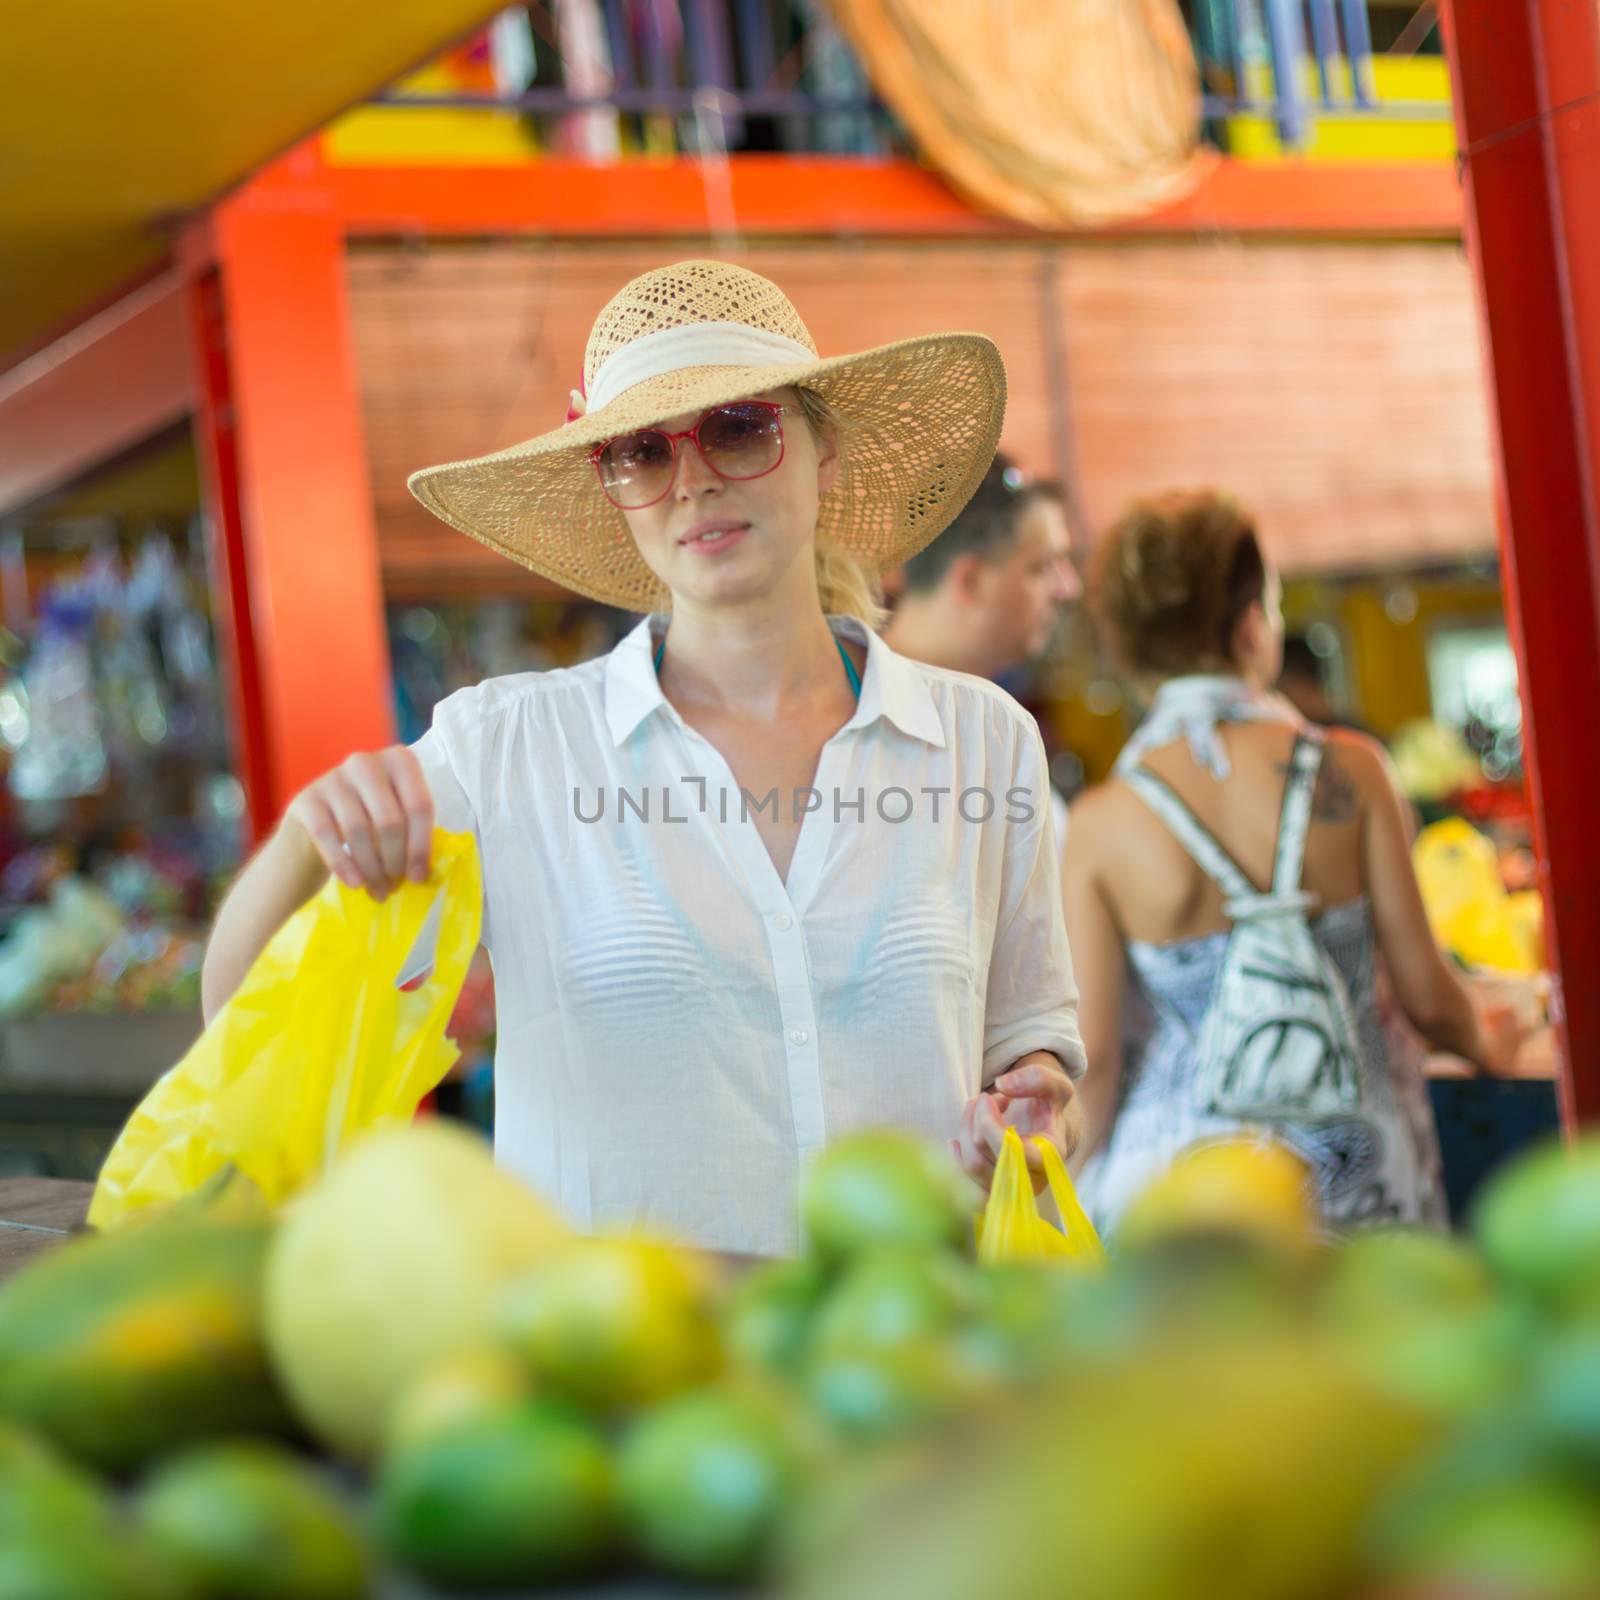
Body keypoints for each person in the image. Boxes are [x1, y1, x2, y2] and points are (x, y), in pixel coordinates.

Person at [200, 259, 1085, 1256]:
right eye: (641, 451)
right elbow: (242, 1017)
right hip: (617, 1375)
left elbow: (1032, 1045)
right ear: (613, 489)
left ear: (823, 447)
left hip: (905, 1357)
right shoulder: (504, 749)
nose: (695, 478)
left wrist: (1033, 1109)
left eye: (740, 428)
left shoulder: (981, 739)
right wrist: (307, 835)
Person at [1061, 490, 1522, 1234]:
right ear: (1250, 625)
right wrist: (1496, 1041)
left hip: (1182, 1205)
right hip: (1356, 1186)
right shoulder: (1353, 773)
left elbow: (1099, 1058)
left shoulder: (1101, 824)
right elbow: (1430, 1000)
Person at [882, 455, 1082, 849]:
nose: (1069, 588)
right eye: (1044, 567)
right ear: (972, 580)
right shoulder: (873, 727)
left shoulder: (987, 721)